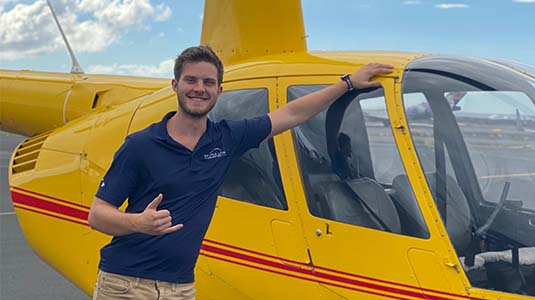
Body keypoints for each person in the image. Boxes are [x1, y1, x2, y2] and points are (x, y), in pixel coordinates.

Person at [87, 45, 393, 299]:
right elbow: (97, 215)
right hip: (125, 283)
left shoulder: (227, 137)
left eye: (208, 83)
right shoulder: (141, 145)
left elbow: (291, 113)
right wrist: (137, 222)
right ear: (175, 85)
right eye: (191, 80)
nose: (199, 89)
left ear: (219, 90)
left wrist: (348, 84)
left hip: (179, 287)